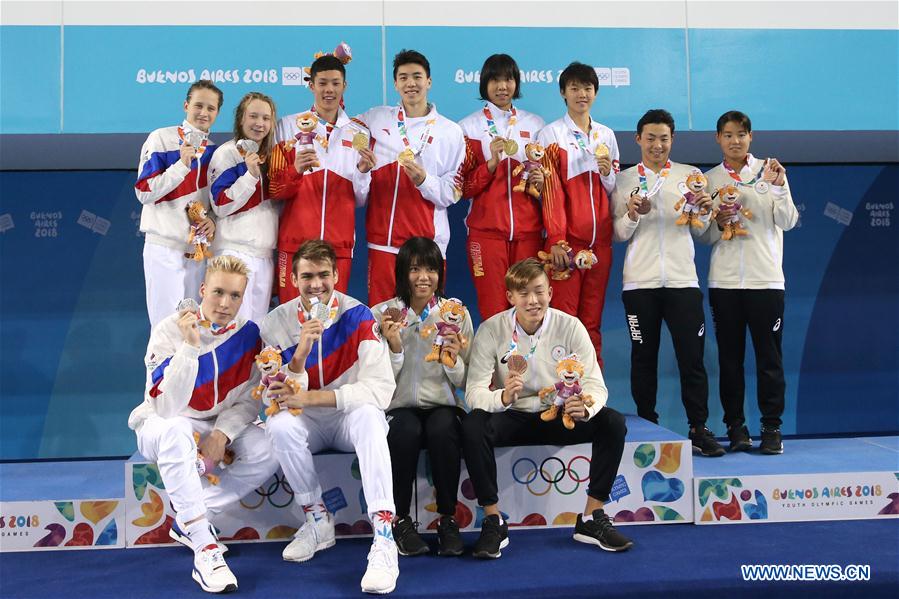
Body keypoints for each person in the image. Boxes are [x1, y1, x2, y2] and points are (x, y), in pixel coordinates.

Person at [461, 258, 633, 559]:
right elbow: (473, 392)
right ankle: (492, 520)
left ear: (550, 293)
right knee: (473, 424)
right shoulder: (492, 329)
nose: (533, 300)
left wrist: (585, 406)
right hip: (512, 415)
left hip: (558, 414)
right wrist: (500, 398)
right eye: (524, 293)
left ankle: (592, 517)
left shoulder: (570, 327)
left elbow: (596, 384)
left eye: (539, 291)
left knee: (613, 422)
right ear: (510, 297)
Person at [127, 255, 280, 593]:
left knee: (272, 445)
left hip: (214, 426)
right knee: (177, 430)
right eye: (218, 293)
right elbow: (166, 405)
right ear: (202, 290)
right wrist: (189, 349)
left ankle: (192, 516)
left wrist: (221, 435)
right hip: (162, 424)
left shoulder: (249, 336)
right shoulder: (170, 330)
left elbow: (247, 400)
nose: (226, 304)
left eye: (235, 296)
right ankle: (205, 548)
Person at [260, 240, 399, 594]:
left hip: (345, 416)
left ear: (337, 275)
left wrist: (317, 397)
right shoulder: (276, 323)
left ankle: (384, 538)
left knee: (370, 416)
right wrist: (300, 353)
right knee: (279, 424)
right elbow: (273, 394)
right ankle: (318, 518)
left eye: (324, 274)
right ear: (293, 279)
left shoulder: (359, 315)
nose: (316, 284)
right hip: (306, 418)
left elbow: (381, 389)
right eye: (307, 276)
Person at [610, 109, 725, 457]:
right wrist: (631, 214)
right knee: (643, 357)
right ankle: (646, 425)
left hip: (682, 283)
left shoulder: (690, 176)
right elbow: (616, 233)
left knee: (692, 358)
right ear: (637, 139)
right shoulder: (624, 180)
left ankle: (699, 428)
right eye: (650, 138)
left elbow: (703, 235)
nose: (657, 145)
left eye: (663, 138)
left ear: (672, 139)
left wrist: (705, 211)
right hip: (639, 285)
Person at [700, 110, 797, 454]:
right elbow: (705, 236)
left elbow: (787, 220)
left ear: (750, 137)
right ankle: (736, 427)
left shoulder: (769, 171)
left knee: (769, 359)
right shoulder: (708, 179)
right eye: (728, 134)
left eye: (741, 134)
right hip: (724, 284)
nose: (735, 140)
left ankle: (772, 428)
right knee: (730, 359)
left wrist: (778, 186)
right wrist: (715, 216)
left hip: (766, 281)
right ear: (718, 139)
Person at [372, 237, 472, 557]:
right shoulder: (382, 316)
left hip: (442, 403)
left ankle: (447, 519)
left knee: (443, 429)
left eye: (430, 269)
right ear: (403, 272)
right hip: (399, 405)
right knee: (404, 430)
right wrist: (395, 349)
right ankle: (399, 520)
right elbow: (378, 380)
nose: (423, 277)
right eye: (415, 269)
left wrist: (453, 361)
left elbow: (469, 380)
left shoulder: (454, 315)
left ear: (440, 273)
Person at [357, 49, 466, 306]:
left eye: (417, 76)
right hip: (384, 243)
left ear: (428, 81)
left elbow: (454, 192)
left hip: (428, 246)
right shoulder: (375, 118)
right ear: (395, 84)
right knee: (382, 323)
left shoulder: (451, 131)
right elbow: (340, 126)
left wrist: (423, 181)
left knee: (426, 327)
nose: (411, 83)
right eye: (403, 77)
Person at [272, 53, 374, 300]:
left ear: (344, 86)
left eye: (335, 83)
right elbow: (275, 189)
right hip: (294, 243)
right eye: (323, 83)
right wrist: (295, 171)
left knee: (332, 320)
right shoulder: (287, 126)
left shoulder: (359, 132)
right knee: (289, 319)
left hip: (337, 246)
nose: (329, 90)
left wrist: (362, 173)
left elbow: (360, 199)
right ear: (311, 85)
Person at [537, 62, 620, 366]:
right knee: (563, 322)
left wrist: (608, 173)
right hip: (567, 245)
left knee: (592, 322)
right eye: (574, 88)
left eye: (587, 88)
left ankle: (591, 395)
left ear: (595, 93)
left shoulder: (606, 136)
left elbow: (612, 190)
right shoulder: (550, 135)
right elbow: (550, 194)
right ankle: (558, 395)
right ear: (563, 93)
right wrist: (557, 240)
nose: (581, 94)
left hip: (601, 245)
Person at [457, 54, 546, 321]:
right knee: (494, 313)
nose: (502, 86)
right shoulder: (468, 127)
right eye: (495, 79)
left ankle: (526, 365)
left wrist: (541, 183)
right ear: (484, 83)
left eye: (508, 79)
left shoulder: (536, 125)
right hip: (486, 236)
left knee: (529, 313)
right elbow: (464, 188)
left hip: (528, 234)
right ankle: (495, 365)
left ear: (516, 83)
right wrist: (491, 164)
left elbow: (547, 188)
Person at [135, 80, 222, 328]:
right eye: (198, 105)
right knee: (166, 327)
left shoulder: (215, 152)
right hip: (164, 248)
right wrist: (181, 166)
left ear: (217, 113)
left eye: (211, 108)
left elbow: (213, 204)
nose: (204, 113)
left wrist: (212, 222)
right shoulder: (161, 139)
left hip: (197, 253)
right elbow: (144, 191)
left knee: (194, 327)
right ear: (186, 105)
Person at [208, 91, 282, 323]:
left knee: (256, 329)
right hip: (233, 253)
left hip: (264, 256)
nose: (259, 124)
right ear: (241, 119)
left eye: (266, 118)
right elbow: (220, 204)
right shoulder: (227, 153)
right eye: (253, 116)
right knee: (229, 327)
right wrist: (250, 176)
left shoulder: (274, 157)